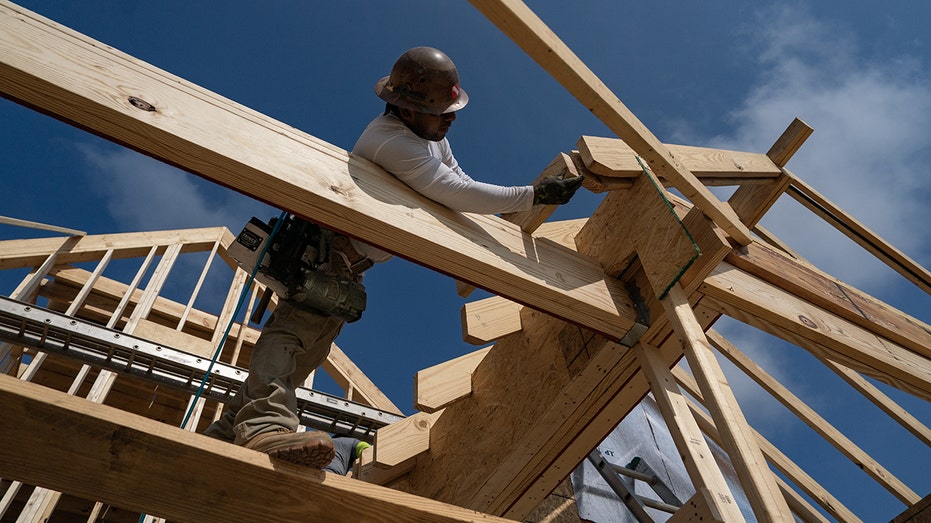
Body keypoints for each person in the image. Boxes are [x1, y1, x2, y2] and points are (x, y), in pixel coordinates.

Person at [203, 46, 583, 468]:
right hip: (326, 252)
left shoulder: (431, 140)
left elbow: (461, 181)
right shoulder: (390, 141)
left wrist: (515, 208)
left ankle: (222, 439)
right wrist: (530, 196)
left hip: (349, 266)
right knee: (293, 334)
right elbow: (453, 193)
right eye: (441, 111)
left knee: (307, 351)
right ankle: (264, 427)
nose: (451, 118)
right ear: (406, 110)